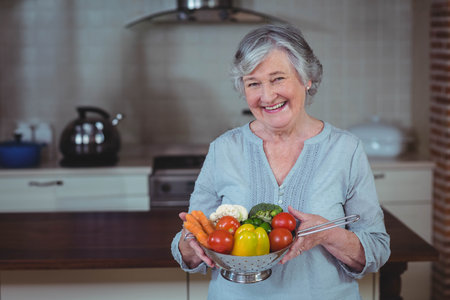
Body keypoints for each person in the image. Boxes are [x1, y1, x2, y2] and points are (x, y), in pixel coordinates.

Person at [171, 23, 390, 299]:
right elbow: (190, 250)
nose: (267, 96)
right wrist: (189, 244)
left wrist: (327, 234)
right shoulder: (224, 149)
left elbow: (377, 250)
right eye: (253, 83)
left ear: (306, 78)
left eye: (277, 79)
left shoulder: (346, 150)